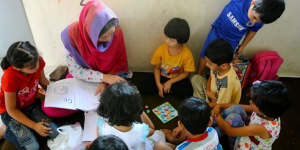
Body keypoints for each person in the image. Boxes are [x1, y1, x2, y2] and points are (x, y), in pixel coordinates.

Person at [42, 0, 129, 118]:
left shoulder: (117, 33)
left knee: (123, 99)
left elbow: (118, 64)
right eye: (104, 36)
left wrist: (105, 82)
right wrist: (104, 77)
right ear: (90, 32)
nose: (109, 39)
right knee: (50, 108)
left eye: (111, 34)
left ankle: (91, 107)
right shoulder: (71, 37)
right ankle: (89, 106)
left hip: (109, 79)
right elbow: (75, 70)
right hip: (83, 78)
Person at [198, 0, 286, 75]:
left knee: (222, 63)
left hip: (232, 42)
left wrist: (243, 46)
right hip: (217, 31)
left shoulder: (261, 17)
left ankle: (214, 82)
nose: (253, 21)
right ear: (253, 3)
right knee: (205, 54)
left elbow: (252, 31)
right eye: (254, 17)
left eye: (257, 21)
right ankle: (199, 75)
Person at [0, 41, 58, 150]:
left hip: (30, 104)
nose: (36, 67)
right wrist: (34, 126)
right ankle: (6, 130)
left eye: (37, 62)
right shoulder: (9, 78)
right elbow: (11, 109)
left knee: (54, 132)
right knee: (32, 146)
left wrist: (57, 94)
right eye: (31, 67)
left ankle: (24, 127)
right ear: (17, 68)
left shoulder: (38, 61)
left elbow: (43, 81)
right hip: (10, 112)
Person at [212, 80, 290, 149]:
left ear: (263, 111)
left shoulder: (260, 128)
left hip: (249, 145)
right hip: (250, 129)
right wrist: (220, 105)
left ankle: (214, 133)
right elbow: (239, 106)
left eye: (253, 102)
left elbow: (230, 131)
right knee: (236, 108)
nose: (250, 102)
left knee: (233, 119)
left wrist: (218, 117)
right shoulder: (269, 112)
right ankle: (213, 123)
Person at [137, 18, 195, 98]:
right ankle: (165, 89)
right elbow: (156, 69)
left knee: (188, 92)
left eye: (171, 40)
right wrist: (158, 85)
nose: (166, 41)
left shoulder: (187, 54)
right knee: (143, 85)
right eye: (166, 37)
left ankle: (167, 89)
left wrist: (170, 82)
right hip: (162, 76)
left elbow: (186, 73)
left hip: (177, 79)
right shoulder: (161, 49)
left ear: (181, 40)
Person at [96, 82, 156, 150]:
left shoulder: (101, 125)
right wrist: (140, 111)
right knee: (159, 139)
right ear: (136, 109)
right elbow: (152, 129)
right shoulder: (141, 130)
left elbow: (99, 138)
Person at [192, 39, 241, 107]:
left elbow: (220, 105)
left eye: (209, 63)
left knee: (199, 109)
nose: (206, 65)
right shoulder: (218, 66)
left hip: (221, 106)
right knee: (195, 78)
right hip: (212, 95)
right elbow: (211, 78)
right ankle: (201, 103)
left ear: (223, 66)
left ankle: (201, 105)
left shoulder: (227, 83)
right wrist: (208, 91)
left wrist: (204, 105)